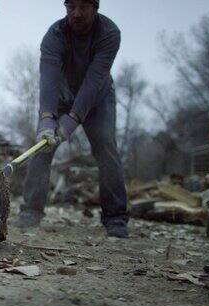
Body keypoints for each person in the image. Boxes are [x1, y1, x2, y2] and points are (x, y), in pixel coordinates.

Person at [13, 0, 129, 238]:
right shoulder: (54, 35)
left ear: (95, 8)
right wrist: (47, 119)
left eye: (83, 7)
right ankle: (31, 212)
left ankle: (115, 218)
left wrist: (70, 123)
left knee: (106, 148)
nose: (76, 14)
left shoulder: (109, 33)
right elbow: (48, 79)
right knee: (41, 147)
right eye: (71, 7)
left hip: (98, 99)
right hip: (61, 96)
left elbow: (94, 81)